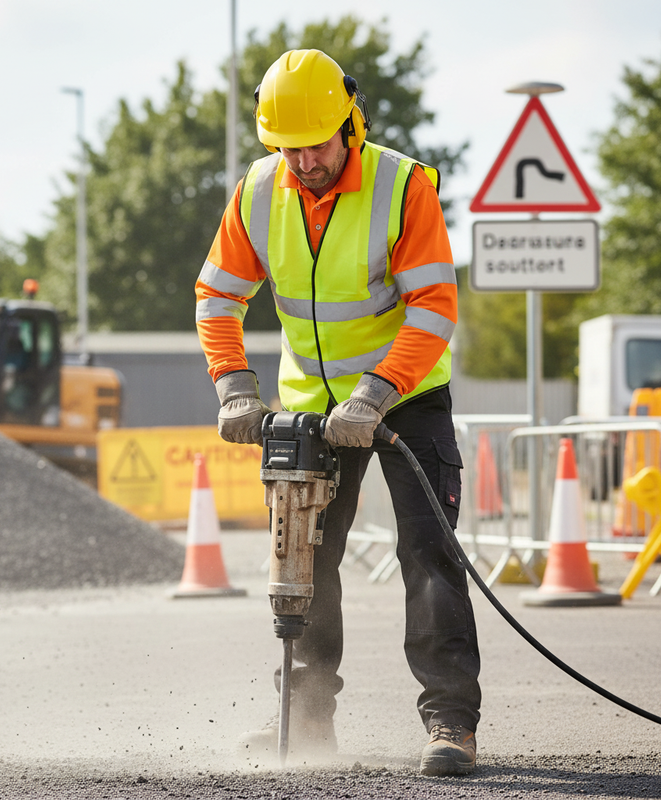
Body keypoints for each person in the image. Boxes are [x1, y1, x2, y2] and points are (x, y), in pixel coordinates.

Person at [195, 49, 481, 776]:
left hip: (406, 396)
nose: (304, 161)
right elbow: (217, 296)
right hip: (311, 404)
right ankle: (306, 715)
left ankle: (450, 721)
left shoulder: (402, 186)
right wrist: (234, 386)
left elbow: (434, 306)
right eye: (289, 148)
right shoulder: (259, 191)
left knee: (427, 552)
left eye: (317, 145)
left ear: (350, 124)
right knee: (305, 557)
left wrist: (375, 393)